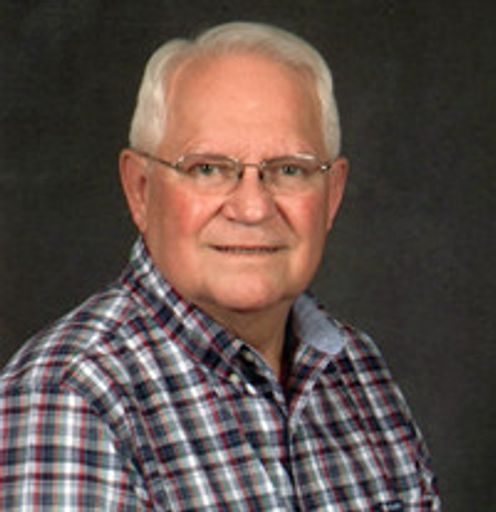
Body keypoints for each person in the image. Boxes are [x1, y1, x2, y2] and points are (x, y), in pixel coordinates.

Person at [0, 21, 440, 511]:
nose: (252, 208)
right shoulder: (70, 399)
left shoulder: (356, 369)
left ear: (332, 195)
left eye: (289, 169)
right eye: (207, 169)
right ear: (141, 190)